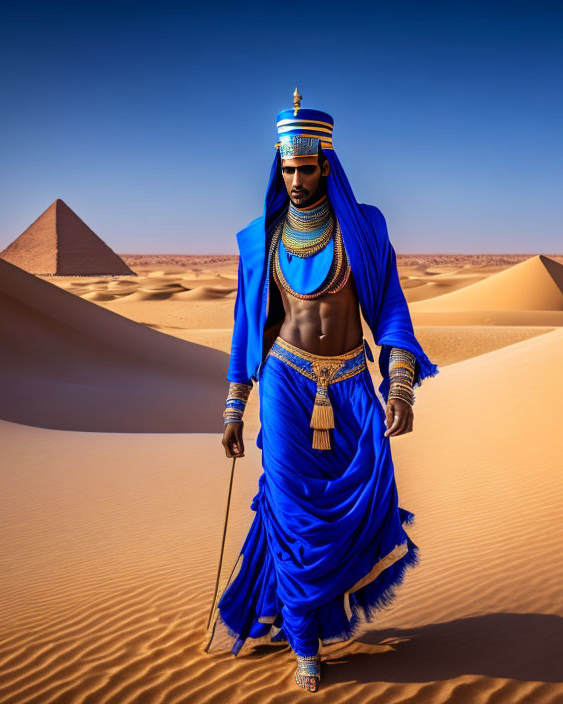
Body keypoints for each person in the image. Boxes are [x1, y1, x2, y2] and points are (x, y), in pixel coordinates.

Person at [211, 89, 438, 693]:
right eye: (285, 169)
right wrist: (236, 404)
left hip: (351, 383)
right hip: (286, 383)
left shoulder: (364, 228)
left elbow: (389, 306)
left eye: (304, 169)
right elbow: (245, 325)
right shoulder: (259, 238)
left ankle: (313, 613)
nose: (293, 180)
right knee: (292, 512)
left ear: (326, 165)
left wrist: (400, 388)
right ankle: (304, 642)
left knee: (361, 499)